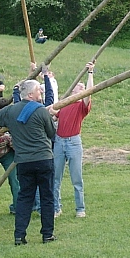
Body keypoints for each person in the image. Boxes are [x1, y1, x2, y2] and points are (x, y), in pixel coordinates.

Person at [0, 79, 56, 245]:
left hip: (23, 161)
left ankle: (19, 236)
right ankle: (47, 234)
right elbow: (52, 133)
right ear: (30, 94)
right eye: (39, 91)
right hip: (43, 158)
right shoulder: (41, 111)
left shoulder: (10, 111)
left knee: (24, 198)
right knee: (47, 197)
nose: (41, 93)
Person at [52, 62, 94, 218]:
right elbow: (52, 113)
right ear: (72, 88)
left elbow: (90, 92)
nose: (81, 88)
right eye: (79, 86)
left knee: (76, 178)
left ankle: (80, 209)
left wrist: (90, 73)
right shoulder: (64, 104)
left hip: (73, 142)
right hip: (59, 141)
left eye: (83, 87)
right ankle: (56, 208)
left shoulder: (81, 106)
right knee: (56, 177)